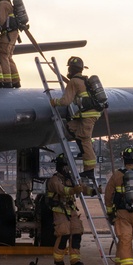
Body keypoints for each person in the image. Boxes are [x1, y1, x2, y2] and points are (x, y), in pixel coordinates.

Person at [50, 56, 102, 185]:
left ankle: (89, 169)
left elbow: (66, 101)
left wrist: (54, 102)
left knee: (85, 139)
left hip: (88, 115)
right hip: (85, 114)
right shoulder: (83, 80)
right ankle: (84, 153)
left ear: (71, 69)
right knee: (71, 127)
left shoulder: (74, 81)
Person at [47, 153, 85, 265]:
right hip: (60, 210)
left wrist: (92, 191)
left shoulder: (71, 179)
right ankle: (58, 259)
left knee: (77, 232)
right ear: (60, 166)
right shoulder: (54, 180)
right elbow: (62, 190)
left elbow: (81, 188)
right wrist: (74, 190)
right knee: (64, 234)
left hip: (71, 210)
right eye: (65, 167)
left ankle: (75, 259)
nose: (67, 169)